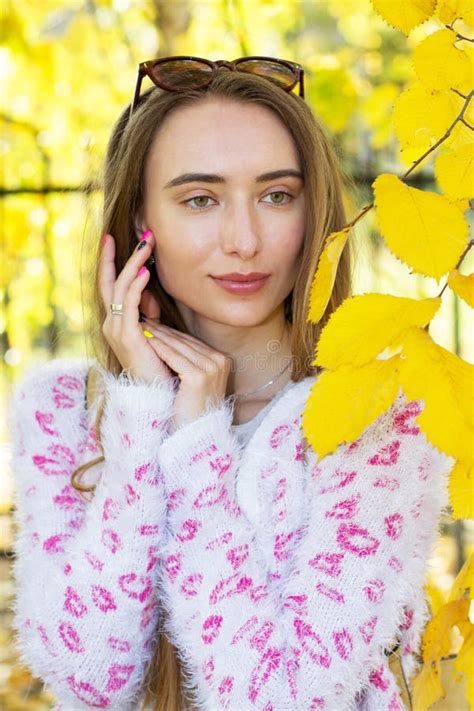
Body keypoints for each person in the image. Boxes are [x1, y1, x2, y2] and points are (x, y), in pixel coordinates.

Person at [8, 56, 454, 711]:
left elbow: (283, 699)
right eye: (200, 199)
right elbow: (91, 679)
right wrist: (141, 411)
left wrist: (196, 448)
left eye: (277, 195)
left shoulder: (377, 415)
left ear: (314, 210)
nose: (244, 240)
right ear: (139, 221)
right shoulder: (63, 412)